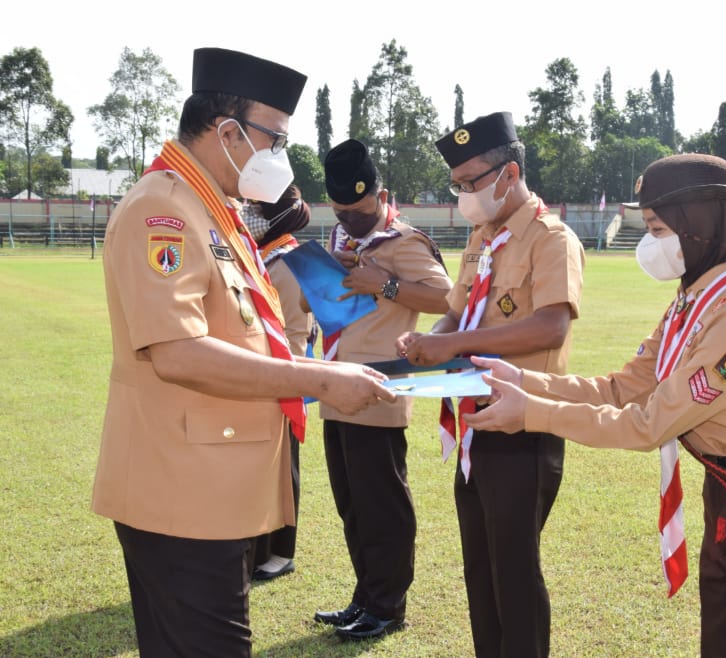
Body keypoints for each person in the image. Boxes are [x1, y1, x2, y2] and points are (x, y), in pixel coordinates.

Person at [464, 153, 726, 658]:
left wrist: (531, 412)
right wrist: (524, 379)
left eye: (659, 229)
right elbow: (622, 389)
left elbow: (646, 424)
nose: (651, 245)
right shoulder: (692, 305)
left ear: (699, 226)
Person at [91, 47, 395, 658]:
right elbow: (177, 352)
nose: (280, 156)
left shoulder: (215, 209)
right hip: (182, 494)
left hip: (211, 489)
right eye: (275, 139)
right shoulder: (165, 210)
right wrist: (320, 379)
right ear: (228, 132)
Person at [396, 111, 585, 658]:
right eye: (458, 185)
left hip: (525, 424)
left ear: (510, 172)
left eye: (473, 180)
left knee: (514, 572)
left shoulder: (551, 238)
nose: (466, 194)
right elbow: (456, 313)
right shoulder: (482, 236)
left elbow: (553, 324)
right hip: (475, 422)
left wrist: (452, 344)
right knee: (480, 568)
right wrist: (427, 340)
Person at [312, 139, 453, 641]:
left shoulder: (404, 242)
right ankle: (365, 598)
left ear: (381, 194)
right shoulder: (342, 241)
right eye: (339, 210)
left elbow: (445, 298)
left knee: (381, 506)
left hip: (378, 390)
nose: (348, 219)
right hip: (335, 385)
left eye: (358, 208)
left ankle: (388, 606)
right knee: (352, 504)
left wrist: (386, 285)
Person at [242, 184, 316, 581]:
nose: (248, 212)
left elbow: (294, 334)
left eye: (255, 207)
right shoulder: (264, 256)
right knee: (262, 466)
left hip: (282, 373)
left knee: (282, 465)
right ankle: (261, 546)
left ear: (275, 218)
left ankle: (280, 551)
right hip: (262, 372)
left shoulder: (286, 261)